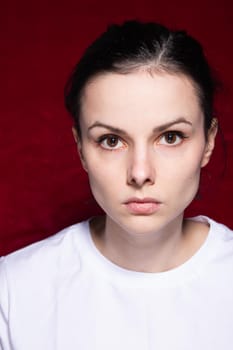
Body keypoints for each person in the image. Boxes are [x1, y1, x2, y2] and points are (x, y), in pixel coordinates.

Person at [0, 20, 232, 350]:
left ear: (208, 142)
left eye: (170, 137)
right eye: (111, 140)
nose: (140, 173)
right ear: (81, 148)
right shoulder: (13, 290)